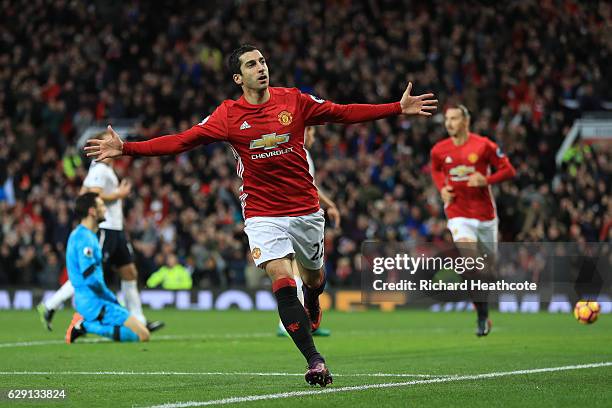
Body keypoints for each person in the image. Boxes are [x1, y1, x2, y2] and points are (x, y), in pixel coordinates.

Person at [85, 44, 437, 386]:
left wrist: (395, 108)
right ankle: (315, 361)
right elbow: (181, 140)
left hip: (305, 211)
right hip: (262, 214)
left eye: (262, 61)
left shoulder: (294, 100)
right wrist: (126, 149)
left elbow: (341, 112)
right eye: (252, 65)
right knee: (283, 282)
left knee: (313, 280)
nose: (261, 67)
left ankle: (313, 300)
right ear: (238, 78)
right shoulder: (227, 116)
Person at [37, 131, 164, 333]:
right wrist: (118, 194)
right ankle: (51, 305)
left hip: (116, 229)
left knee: (130, 272)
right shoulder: (101, 169)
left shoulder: (102, 168)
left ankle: (139, 320)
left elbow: (82, 194)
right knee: (91, 271)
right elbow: (89, 196)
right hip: (105, 229)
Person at [430, 104, 516, 336]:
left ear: (465, 121)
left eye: (454, 118)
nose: (449, 123)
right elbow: (436, 170)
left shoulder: (484, 145)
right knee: (471, 261)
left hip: (485, 216)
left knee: (487, 272)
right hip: (458, 214)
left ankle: (482, 310)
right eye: (447, 119)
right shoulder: (439, 149)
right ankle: (481, 315)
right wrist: (442, 189)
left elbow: (509, 170)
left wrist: (487, 180)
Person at [64, 192, 150, 344]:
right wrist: (108, 296)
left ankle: (85, 324)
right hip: (94, 301)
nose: (105, 210)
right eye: (102, 206)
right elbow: (90, 278)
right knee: (143, 335)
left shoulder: (82, 234)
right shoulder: (85, 238)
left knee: (136, 333)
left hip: (89, 300)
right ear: (92, 211)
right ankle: (85, 325)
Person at [277, 127, 336, 337]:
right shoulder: (296, 150)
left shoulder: (302, 152)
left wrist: (329, 205)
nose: (313, 137)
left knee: (302, 270)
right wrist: (330, 206)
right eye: (311, 132)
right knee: (294, 268)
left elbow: (311, 187)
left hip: (296, 215)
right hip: (292, 216)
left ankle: (304, 320)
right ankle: (290, 323)